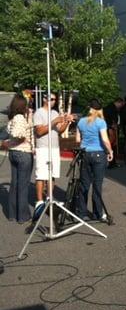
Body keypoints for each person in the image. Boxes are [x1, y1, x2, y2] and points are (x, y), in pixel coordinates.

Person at [33, 93, 73, 219]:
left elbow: (60, 131)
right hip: (43, 148)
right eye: (52, 99)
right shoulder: (38, 113)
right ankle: (39, 202)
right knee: (41, 175)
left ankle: (50, 198)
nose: (54, 101)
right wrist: (54, 121)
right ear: (45, 99)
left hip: (55, 148)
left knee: (53, 174)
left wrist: (67, 122)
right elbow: (39, 132)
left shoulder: (55, 113)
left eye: (55, 99)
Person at [76, 99, 114, 221]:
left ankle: (82, 212)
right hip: (98, 154)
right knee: (97, 184)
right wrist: (110, 151)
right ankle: (98, 213)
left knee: (84, 184)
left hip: (85, 154)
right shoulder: (100, 122)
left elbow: (77, 140)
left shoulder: (81, 121)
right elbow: (105, 139)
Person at [6, 95, 34, 223]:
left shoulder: (12, 118)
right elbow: (19, 134)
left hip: (13, 153)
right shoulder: (20, 118)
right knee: (23, 185)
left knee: (15, 184)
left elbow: (9, 131)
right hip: (23, 153)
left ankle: (12, 213)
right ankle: (23, 216)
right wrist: (22, 138)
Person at [103, 97, 124, 168]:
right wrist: (111, 125)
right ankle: (110, 162)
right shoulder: (110, 108)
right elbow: (108, 118)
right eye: (121, 104)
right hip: (110, 129)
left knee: (114, 145)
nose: (121, 106)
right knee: (111, 145)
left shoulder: (113, 108)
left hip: (113, 128)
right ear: (118, 102)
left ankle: (113, 162)